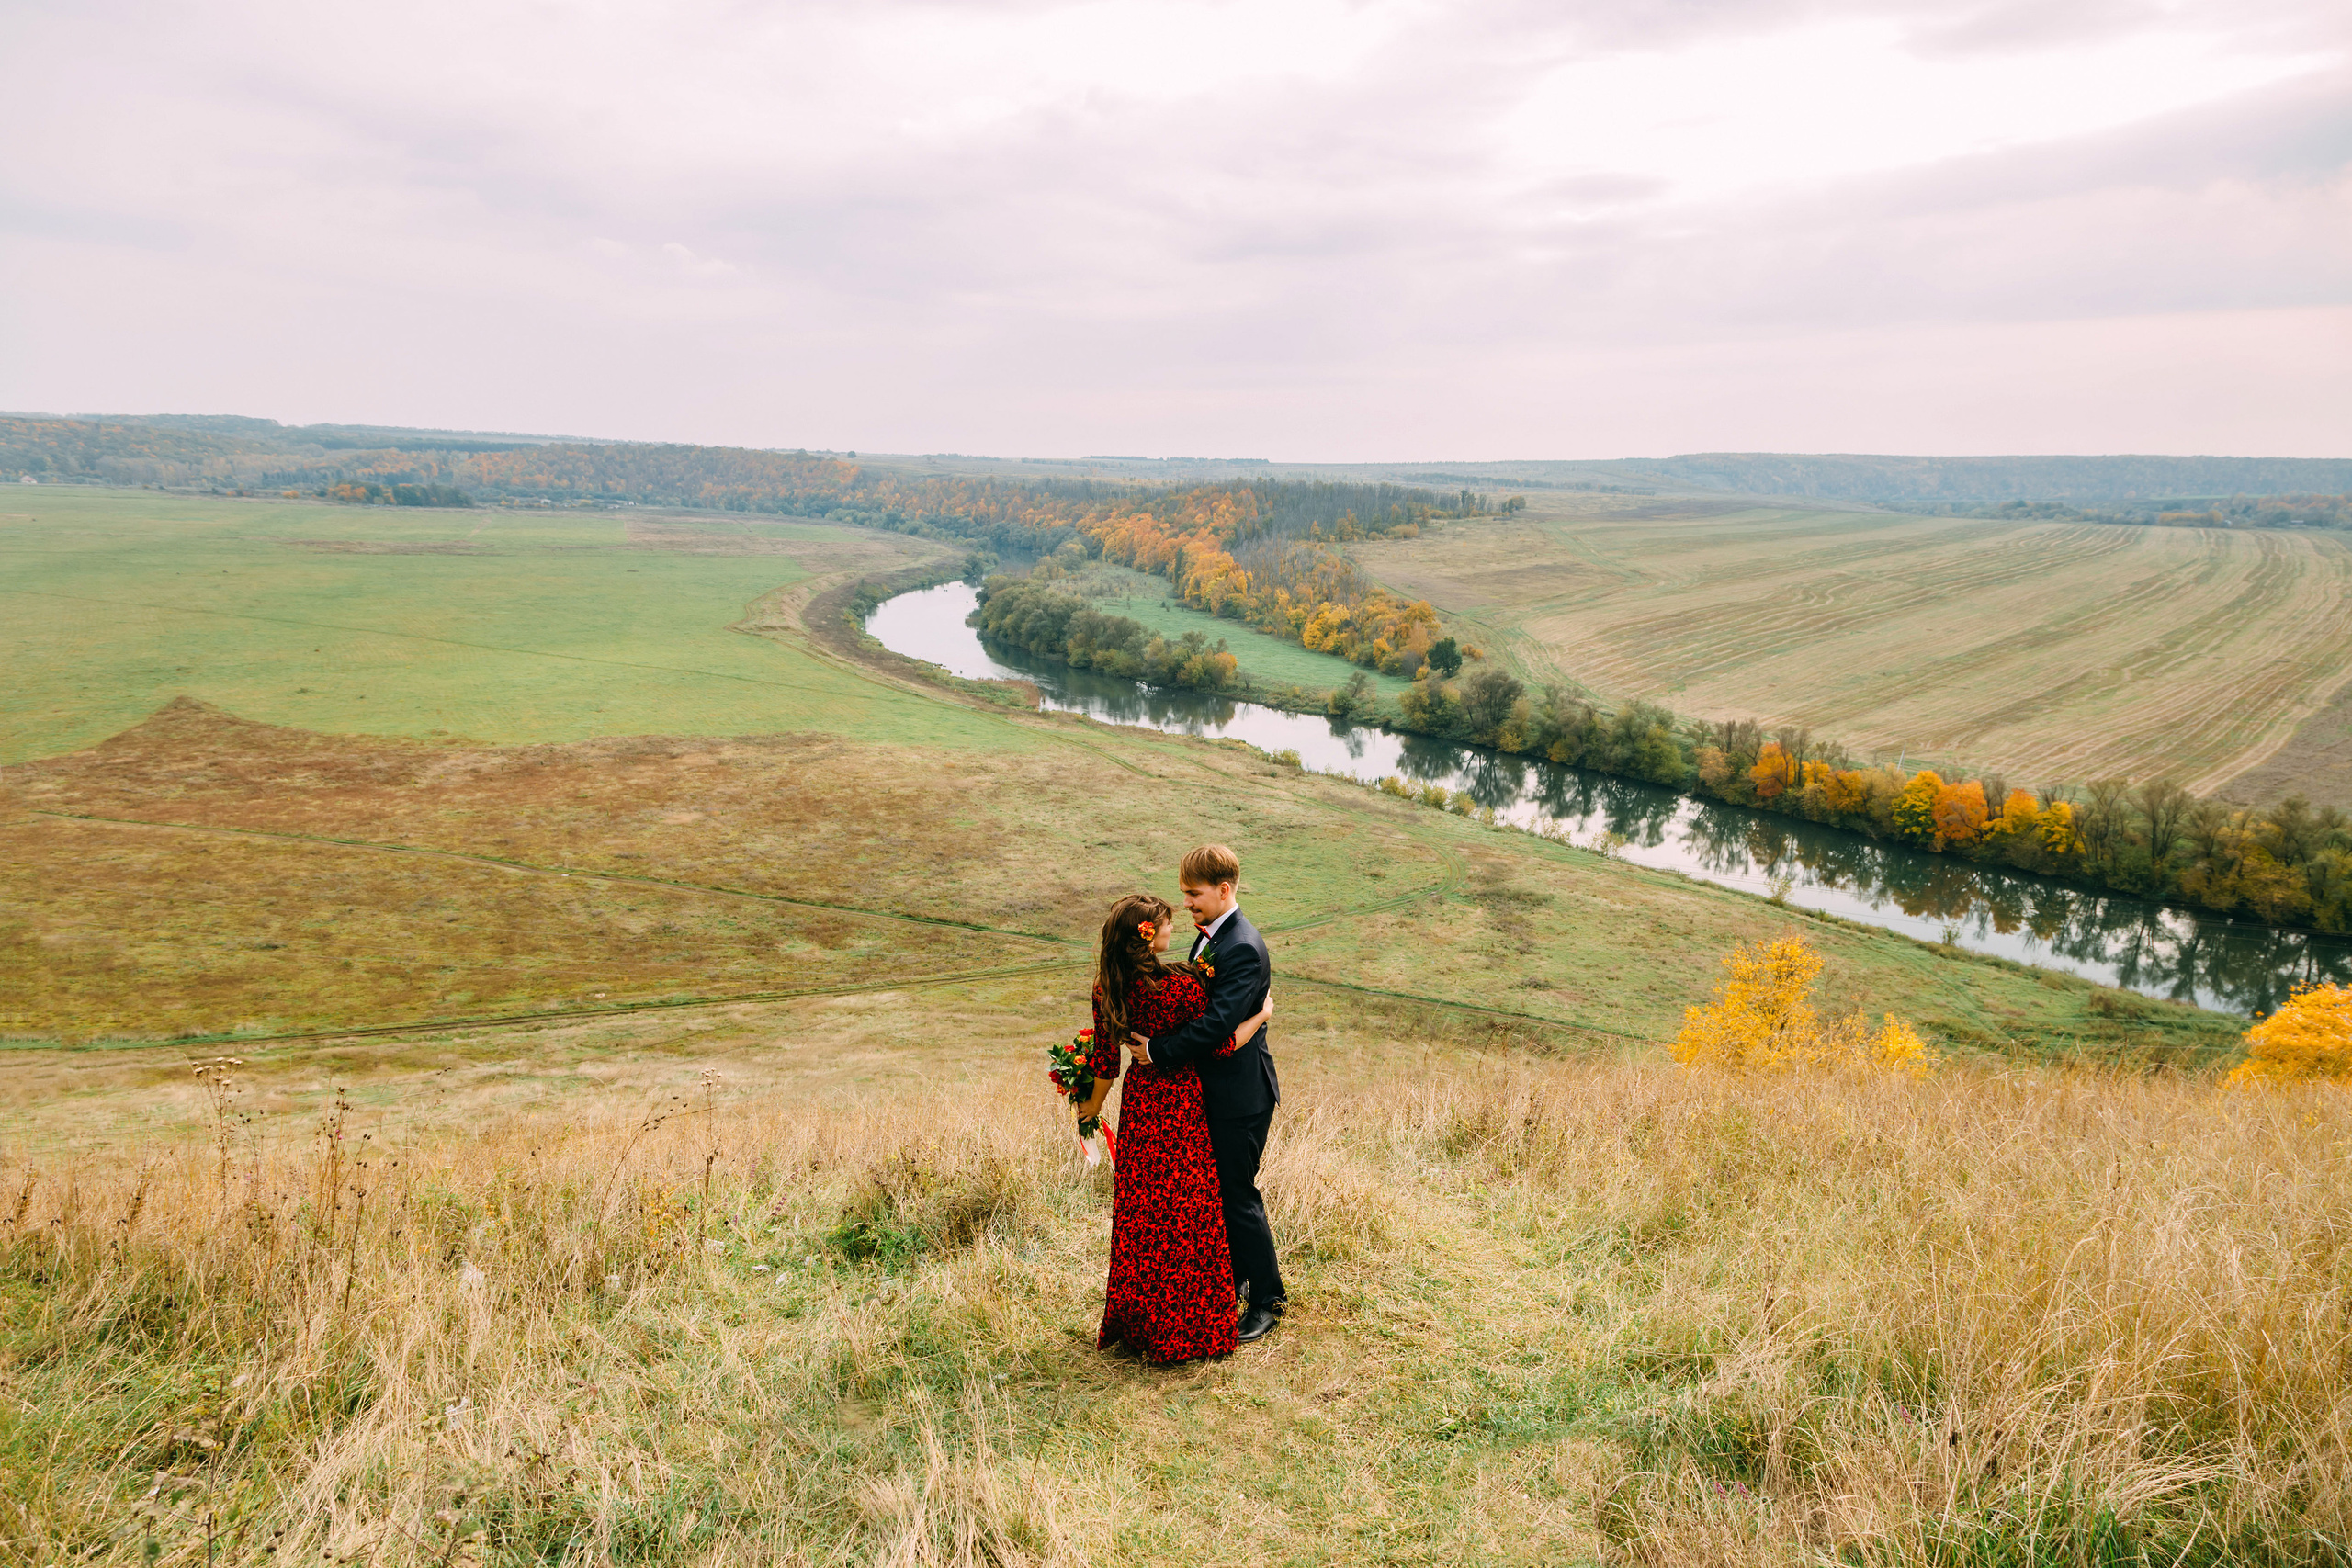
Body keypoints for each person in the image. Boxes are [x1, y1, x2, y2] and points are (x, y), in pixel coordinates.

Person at [1070, 893, 1272, 1364]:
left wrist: (1088, 1110)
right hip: (1182, 1111)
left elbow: (1105, 1062)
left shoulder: (1106, 987)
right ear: (1147, 936)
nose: (1173, 924)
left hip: (1141, 1109)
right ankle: (1190, 1326)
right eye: (1164, 922)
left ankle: (1140, 1322)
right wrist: (1262, 1014)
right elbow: (1222, 1044)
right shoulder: (1180, 988)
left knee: (1142, 1214)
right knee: (1188, 1215)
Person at [1125, 843, 1286, 1344]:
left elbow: (1215, 1026)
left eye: (1194, 894)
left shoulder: (1241, 946)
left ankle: (1268, 1300)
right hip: (1214, 1090)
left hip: (1242, 1095)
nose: (1187, 903)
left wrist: (1156, 1050)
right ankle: (1229, 1283)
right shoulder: (1210, 937)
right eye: (1184, 894)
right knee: (1217, 1193)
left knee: (1238, 1195)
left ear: (1224, 889)